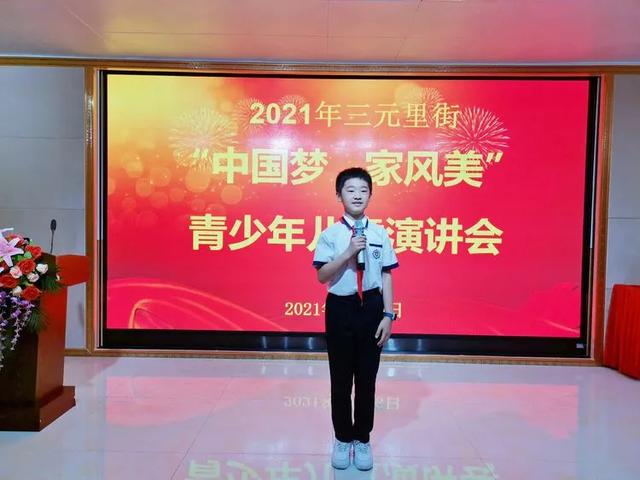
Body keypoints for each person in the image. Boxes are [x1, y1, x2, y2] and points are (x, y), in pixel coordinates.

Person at [312, 167, 399, 470]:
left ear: (370, 195)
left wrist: (388, 315)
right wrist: (348, 252)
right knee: (340, 379)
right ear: (339, 195)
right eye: (350, 190)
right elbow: (322, 275)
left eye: (363, 190)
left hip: (371, 306)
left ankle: (362, 439)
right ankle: (342, 438)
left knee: (366, 379)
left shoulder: (380, 233)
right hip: (341, 307)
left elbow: (386, 275)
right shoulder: (331, 235)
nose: (357, 195)